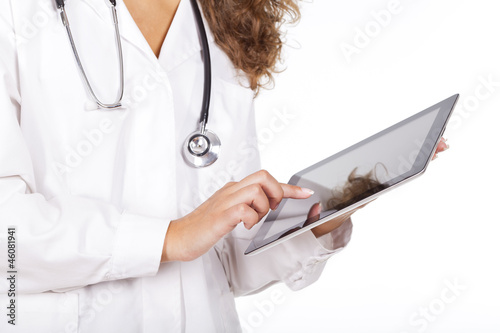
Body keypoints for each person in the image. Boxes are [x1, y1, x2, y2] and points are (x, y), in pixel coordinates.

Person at [0, 0, 448, 332]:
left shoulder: (223, 21)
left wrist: (321, 219)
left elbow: (226, 257)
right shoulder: (18, 14)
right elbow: (9, 238)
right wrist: (168, 238)